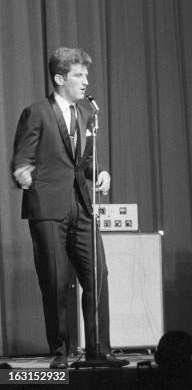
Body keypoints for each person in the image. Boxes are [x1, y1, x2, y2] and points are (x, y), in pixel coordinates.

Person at [12, 47, 120, 368]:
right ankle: (61, 352)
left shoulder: (87, 114)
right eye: (79, 75)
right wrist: (21, 171)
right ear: (60, 78)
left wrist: (99, 171)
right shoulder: (37, 113)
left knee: (97, 275)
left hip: (82, 206)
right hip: (48, 207)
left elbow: (83, 161)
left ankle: (99, 350)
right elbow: (23, 156)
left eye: (86, 74)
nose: (86, 80)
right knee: (56, 281)